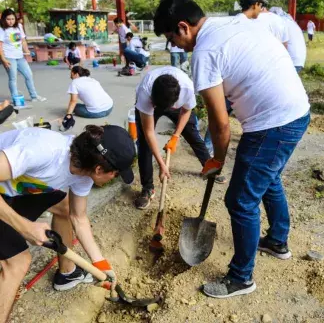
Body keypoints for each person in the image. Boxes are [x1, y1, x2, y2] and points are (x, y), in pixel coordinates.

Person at [154, 0, 310, 298]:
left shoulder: (204, 52)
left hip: (272, 124)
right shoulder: (235, 22)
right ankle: (277, 241)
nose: (175, 45)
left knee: (239, 201)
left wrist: (217, 159)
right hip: (297, 112)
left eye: (172, 37)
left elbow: (220, 123)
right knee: (267, 178)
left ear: (183, 27)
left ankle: (241, 278)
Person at [0, 124, 135, 323]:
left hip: (10, 192)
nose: (115, 178)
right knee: (18, 262)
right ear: (99, 169)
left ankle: (67, 274)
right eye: (115, 173)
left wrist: (100, 264)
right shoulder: (43, 151)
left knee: (64, 206)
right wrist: (25, 227)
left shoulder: (84, 173)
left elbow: (78, 218)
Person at [134, 66, 226, 210]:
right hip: (151, 101)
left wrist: (176, 136)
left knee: (191, 132)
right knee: (144, 144)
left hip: (173, 101)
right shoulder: (145, 92)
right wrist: (161, 163)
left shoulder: (186, 88)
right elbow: (149, 131)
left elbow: (186, 111)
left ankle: (209, 167)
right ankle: (147, 188)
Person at [0, 9, 46, 102]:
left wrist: (27, 50)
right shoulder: (1, 29)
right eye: (8, 19)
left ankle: (34, 96)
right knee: (13, 78)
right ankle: (16, 99)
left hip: (20, 57)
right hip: (9, 57)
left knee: (29, 75)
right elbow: (0, 46)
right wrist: (4, 60)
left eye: (13, 19)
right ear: (4, 19)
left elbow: (23, 41)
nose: (11, 21)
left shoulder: (19, 26)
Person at [60, 66, 113, 130]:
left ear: (76, 74)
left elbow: (73, 101)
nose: (70, 77)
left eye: (71, 74)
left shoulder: (74, 82)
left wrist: (68, 115)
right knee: (79, 106)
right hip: (110, 107)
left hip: (97, 112)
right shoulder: (92, 79)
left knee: (75, 107)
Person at [270, 7, 306, 73]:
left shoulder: (280, 22)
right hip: (299, 61)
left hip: (291, 62)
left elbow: (282, 46)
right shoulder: (289, 20)